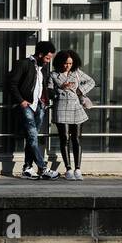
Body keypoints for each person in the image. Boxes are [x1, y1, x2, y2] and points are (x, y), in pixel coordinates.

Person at [6, 39, 60, 180]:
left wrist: (46, 99)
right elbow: (11, 84)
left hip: (39, 106)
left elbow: (43, 87)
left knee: (32, 138)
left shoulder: (43, 68)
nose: (49, 61)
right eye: (47, 58)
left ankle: (27, 168)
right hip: (27, 106)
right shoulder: (23, 64)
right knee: (32, 136)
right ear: (40, 54)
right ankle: (42, 168)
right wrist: (21, 101)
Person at [50, 49, 95, 181]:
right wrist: (61, 89)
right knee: (64, 138)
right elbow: (50, 92)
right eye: (65, 63)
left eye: (70, 63)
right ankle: (68, 169)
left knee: (76, 138)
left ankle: (78, 169)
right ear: (60, 62)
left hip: (76, 107)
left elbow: (91, 81)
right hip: (61, 107)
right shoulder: (53, 75)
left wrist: (80, 91)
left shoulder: (77, 73)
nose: (67, 66)